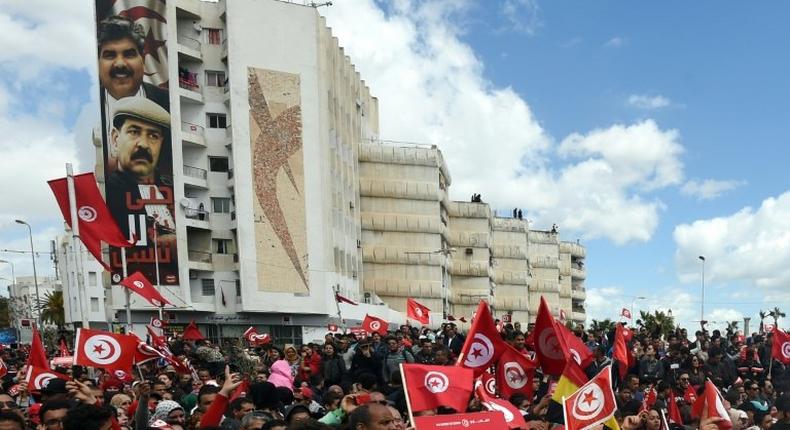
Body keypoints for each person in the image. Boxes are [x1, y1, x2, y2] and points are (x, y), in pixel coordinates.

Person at [97, 16, 168, 107]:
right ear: (98, 62)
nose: (120, 64)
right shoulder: (84, 106)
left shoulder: (170, 103)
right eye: (110, 55)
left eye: (129, 54)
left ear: (142, 59)